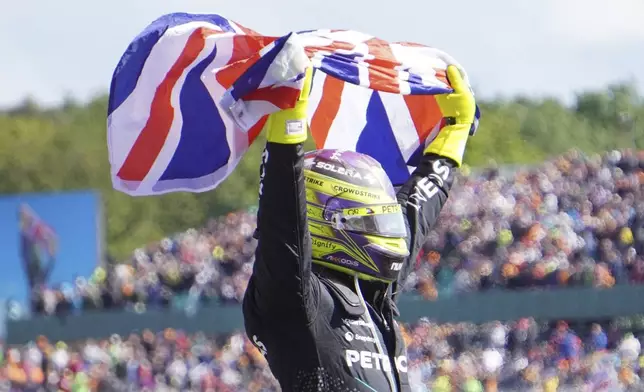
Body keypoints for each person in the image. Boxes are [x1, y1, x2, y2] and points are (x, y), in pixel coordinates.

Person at [243, 64, 476, 391]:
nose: (387, 231)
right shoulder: (296, 301)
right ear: (327, 220)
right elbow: (281, 228)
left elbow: (414, 212)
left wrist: (454, 135)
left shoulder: (374, 293)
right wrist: (288, 128)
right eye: (368, 219)